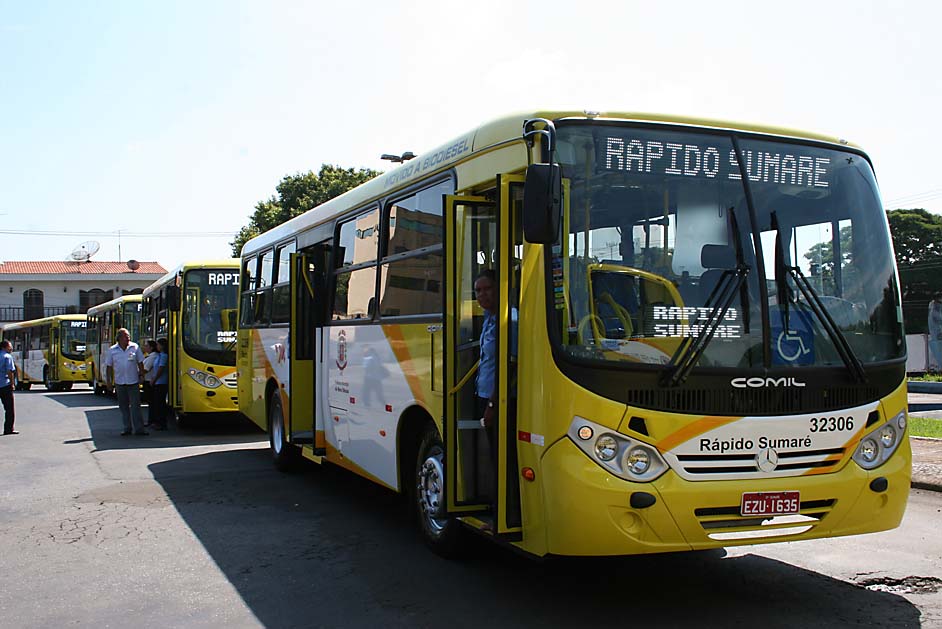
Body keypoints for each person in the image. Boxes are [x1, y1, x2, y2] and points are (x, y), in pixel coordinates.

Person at [104, 327, 147, 436]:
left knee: (136, 406)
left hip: (133, 381)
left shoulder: (135, 347)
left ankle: (139, 429)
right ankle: (127, 428)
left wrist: (142, 375)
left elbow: (140, 362)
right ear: (119, 338)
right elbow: (109, 366)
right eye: (125, 336)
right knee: (123, 407)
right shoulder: (112, 350)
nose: (128, 338)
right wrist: (109, 381)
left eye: (128, 336)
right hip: (120, 382)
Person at [474, 270, 498, 457]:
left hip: (497, 400)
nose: (482, 294)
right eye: (478, 290)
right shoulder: (488, 318)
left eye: (487, 288)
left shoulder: (509, 319)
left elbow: (510, 367)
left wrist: (492, 405)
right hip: (483, 394)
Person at [150, 338, 170, 431]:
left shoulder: (164, 356)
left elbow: (161, 369)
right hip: (158, 382)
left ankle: (162, 423)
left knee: (160, 403)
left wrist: (154, 379)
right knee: (157, 403)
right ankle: (157, 422)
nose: (157, 346)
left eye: (158, 344)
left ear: (162, 346)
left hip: (161, 382)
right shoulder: (160, 355)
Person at [0, 340, 17, 435]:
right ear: (5, 347)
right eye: (10, 346)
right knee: (9, 408)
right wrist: (12, 383)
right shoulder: (7, 357)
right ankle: (8, 429)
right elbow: (9, 371)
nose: (11, 348)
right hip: (4, 385)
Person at [141, 340, 159, 426]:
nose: (145, 347)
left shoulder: (153, 357)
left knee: (152, 403)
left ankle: (152, 421)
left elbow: (145, 369)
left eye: (146, 346)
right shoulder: (150, 356)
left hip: (149, 382)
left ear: (151, 347)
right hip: (148, 381)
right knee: (151, 403)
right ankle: (151, 420)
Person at [929, 294, 942, 372]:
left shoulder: (933, 306)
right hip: (937, 333)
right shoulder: (935, 307)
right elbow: (939, 317)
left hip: (936, 333)